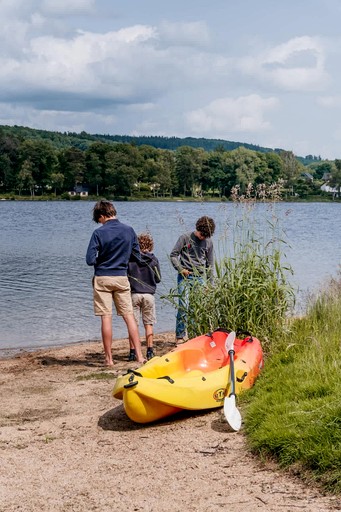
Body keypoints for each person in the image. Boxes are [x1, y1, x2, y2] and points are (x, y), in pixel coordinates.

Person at [86, 200, 145, 366]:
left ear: (103, 216)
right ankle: (140, 356)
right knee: (129, 316)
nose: (99, 222)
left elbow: (89, 260)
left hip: (102, 278)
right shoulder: (129, 230)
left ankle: (109, 359)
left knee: (106, 317)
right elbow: (137, 257)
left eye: (99, 219)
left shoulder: (98, 233)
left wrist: (102, 260)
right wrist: (122, 259)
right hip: (121, 277)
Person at [170, 216, 216, 344]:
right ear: (197, 229)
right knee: (183, 304)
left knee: (195, 307)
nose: (203, 238)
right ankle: (180, 335)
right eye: (202, 235)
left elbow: (210, 265)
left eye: (206, 236)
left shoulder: (209, 243)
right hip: (185, 276)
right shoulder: (185, 238)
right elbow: (173, 255)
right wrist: (180, 269)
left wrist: (210, 284)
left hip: (200, 278)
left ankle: (193, 335)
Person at [127, 233, 161, 361]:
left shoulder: (130, 259)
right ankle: (150, 351)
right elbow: (158, 279)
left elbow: (127, 276)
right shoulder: (154, 260)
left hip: (134, 293)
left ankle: (132, 352)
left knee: (133, 324)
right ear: (150, 245)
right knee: (149, 324)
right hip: (149, 295)